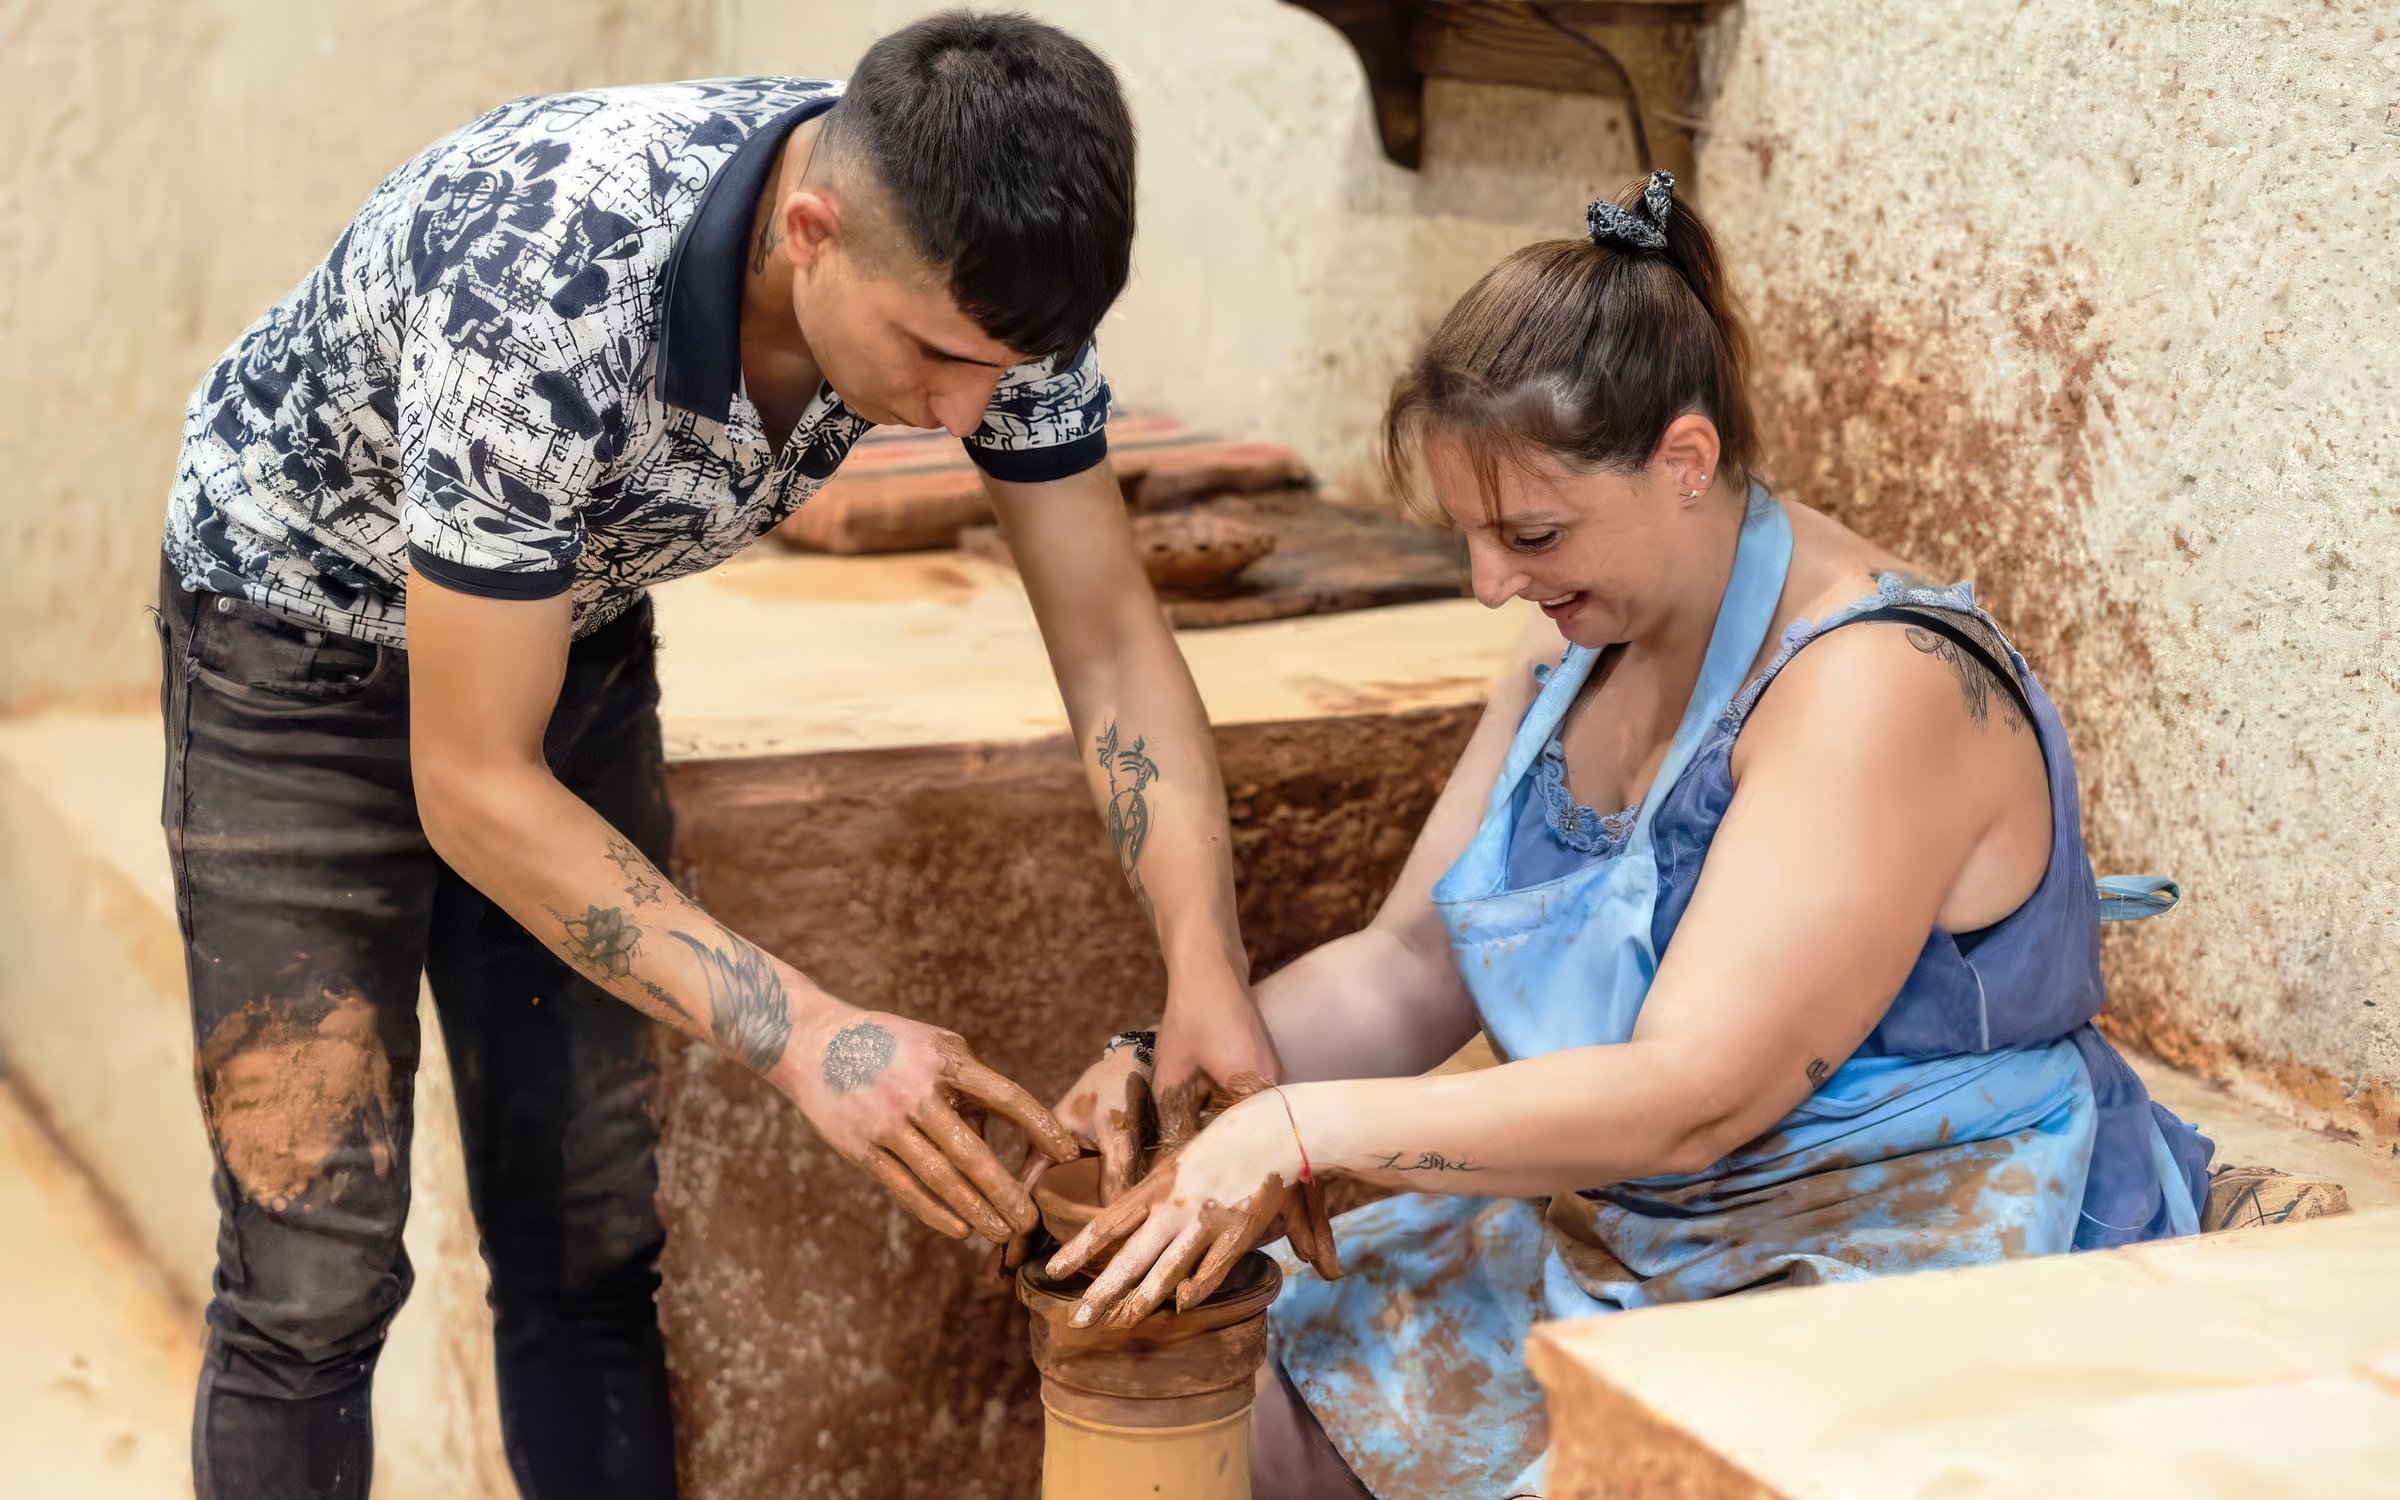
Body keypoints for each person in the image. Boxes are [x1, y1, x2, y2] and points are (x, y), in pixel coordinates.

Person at [156, 13, 1279, 1498]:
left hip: (563, 629)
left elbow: (1113, 645)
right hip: (294, 655)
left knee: (589, 1230)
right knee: (315, 1269)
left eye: (1000, 373)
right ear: (810, 231)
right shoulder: (546, 278)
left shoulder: (984, 287)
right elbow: (474, 781)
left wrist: (1204, 963)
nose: (964, 416)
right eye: (937, 359)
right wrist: (805, 1032)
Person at [1044, 172, 2213, 1500]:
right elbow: (1409, 970)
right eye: (1470, 537)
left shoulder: (1869, 686)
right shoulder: (1576, 655)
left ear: (1687, 460)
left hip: (1901, 1239)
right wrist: (1167, 1074)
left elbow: (1691, 1096)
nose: (1493, 585)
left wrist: (1302, 1132)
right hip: (1654, 1226)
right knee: (1238, 1390)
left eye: (1530, 533)